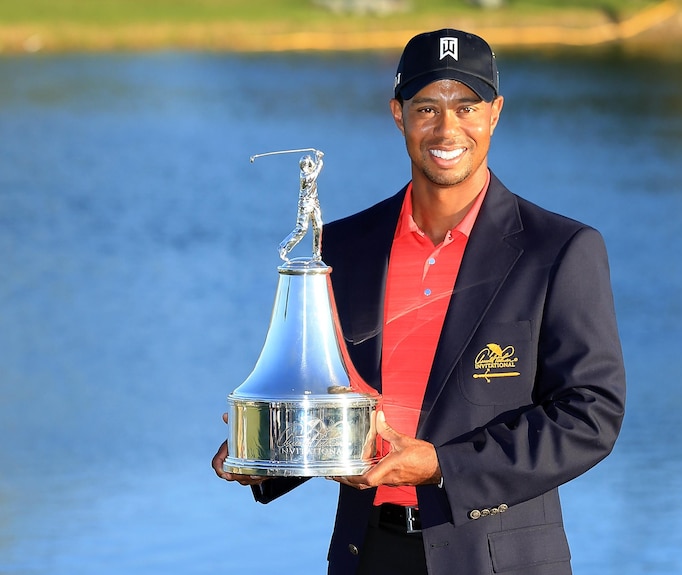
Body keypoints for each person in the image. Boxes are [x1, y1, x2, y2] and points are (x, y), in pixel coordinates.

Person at [212, 28, 626, 575]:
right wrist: (267, 454)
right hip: (370, 553)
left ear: (495, 113)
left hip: (498, 559)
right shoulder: (343, 247)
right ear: (398, 114)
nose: (446, 127)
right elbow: (327, 398)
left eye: (466, 106)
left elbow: (590, 414)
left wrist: (440, 466)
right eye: (427, 106)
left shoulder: (560, 249)